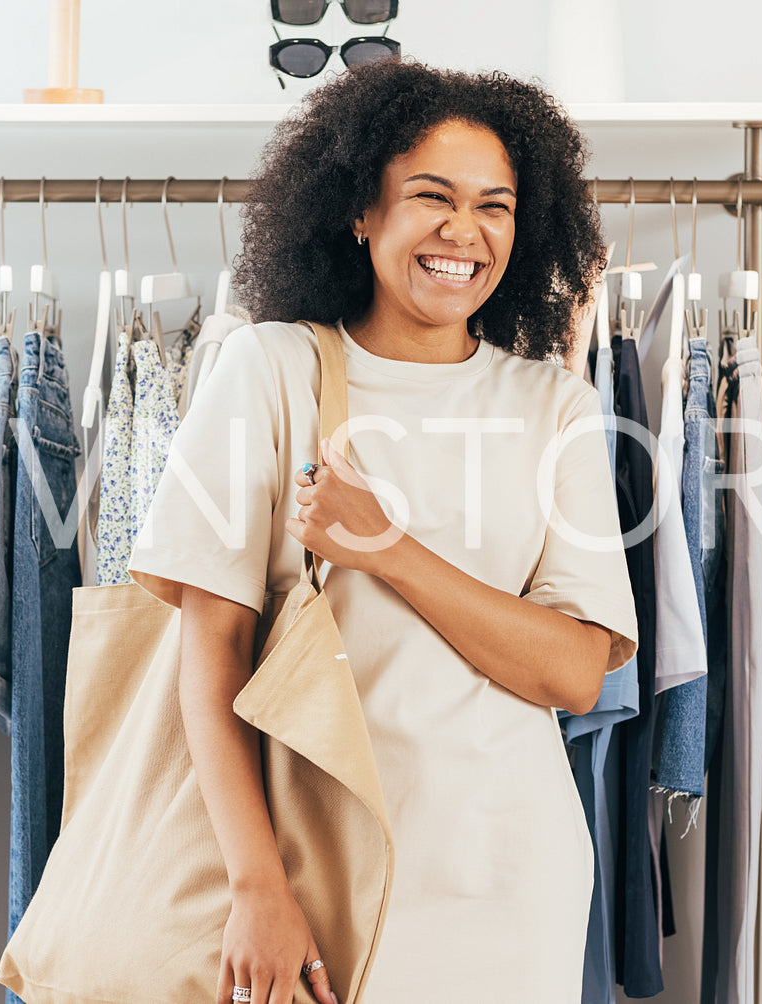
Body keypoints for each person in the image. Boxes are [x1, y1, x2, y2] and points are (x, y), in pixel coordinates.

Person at [128, 58, 639, 1004]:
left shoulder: (554, 407)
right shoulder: (269, 369)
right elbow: (210, 656)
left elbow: (573, 671)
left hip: (510, 879)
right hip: (312, 873)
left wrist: (386, 549)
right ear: (360, 210)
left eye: (496, 205)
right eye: (430, 196)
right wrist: (257, 889)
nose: (463, 231)